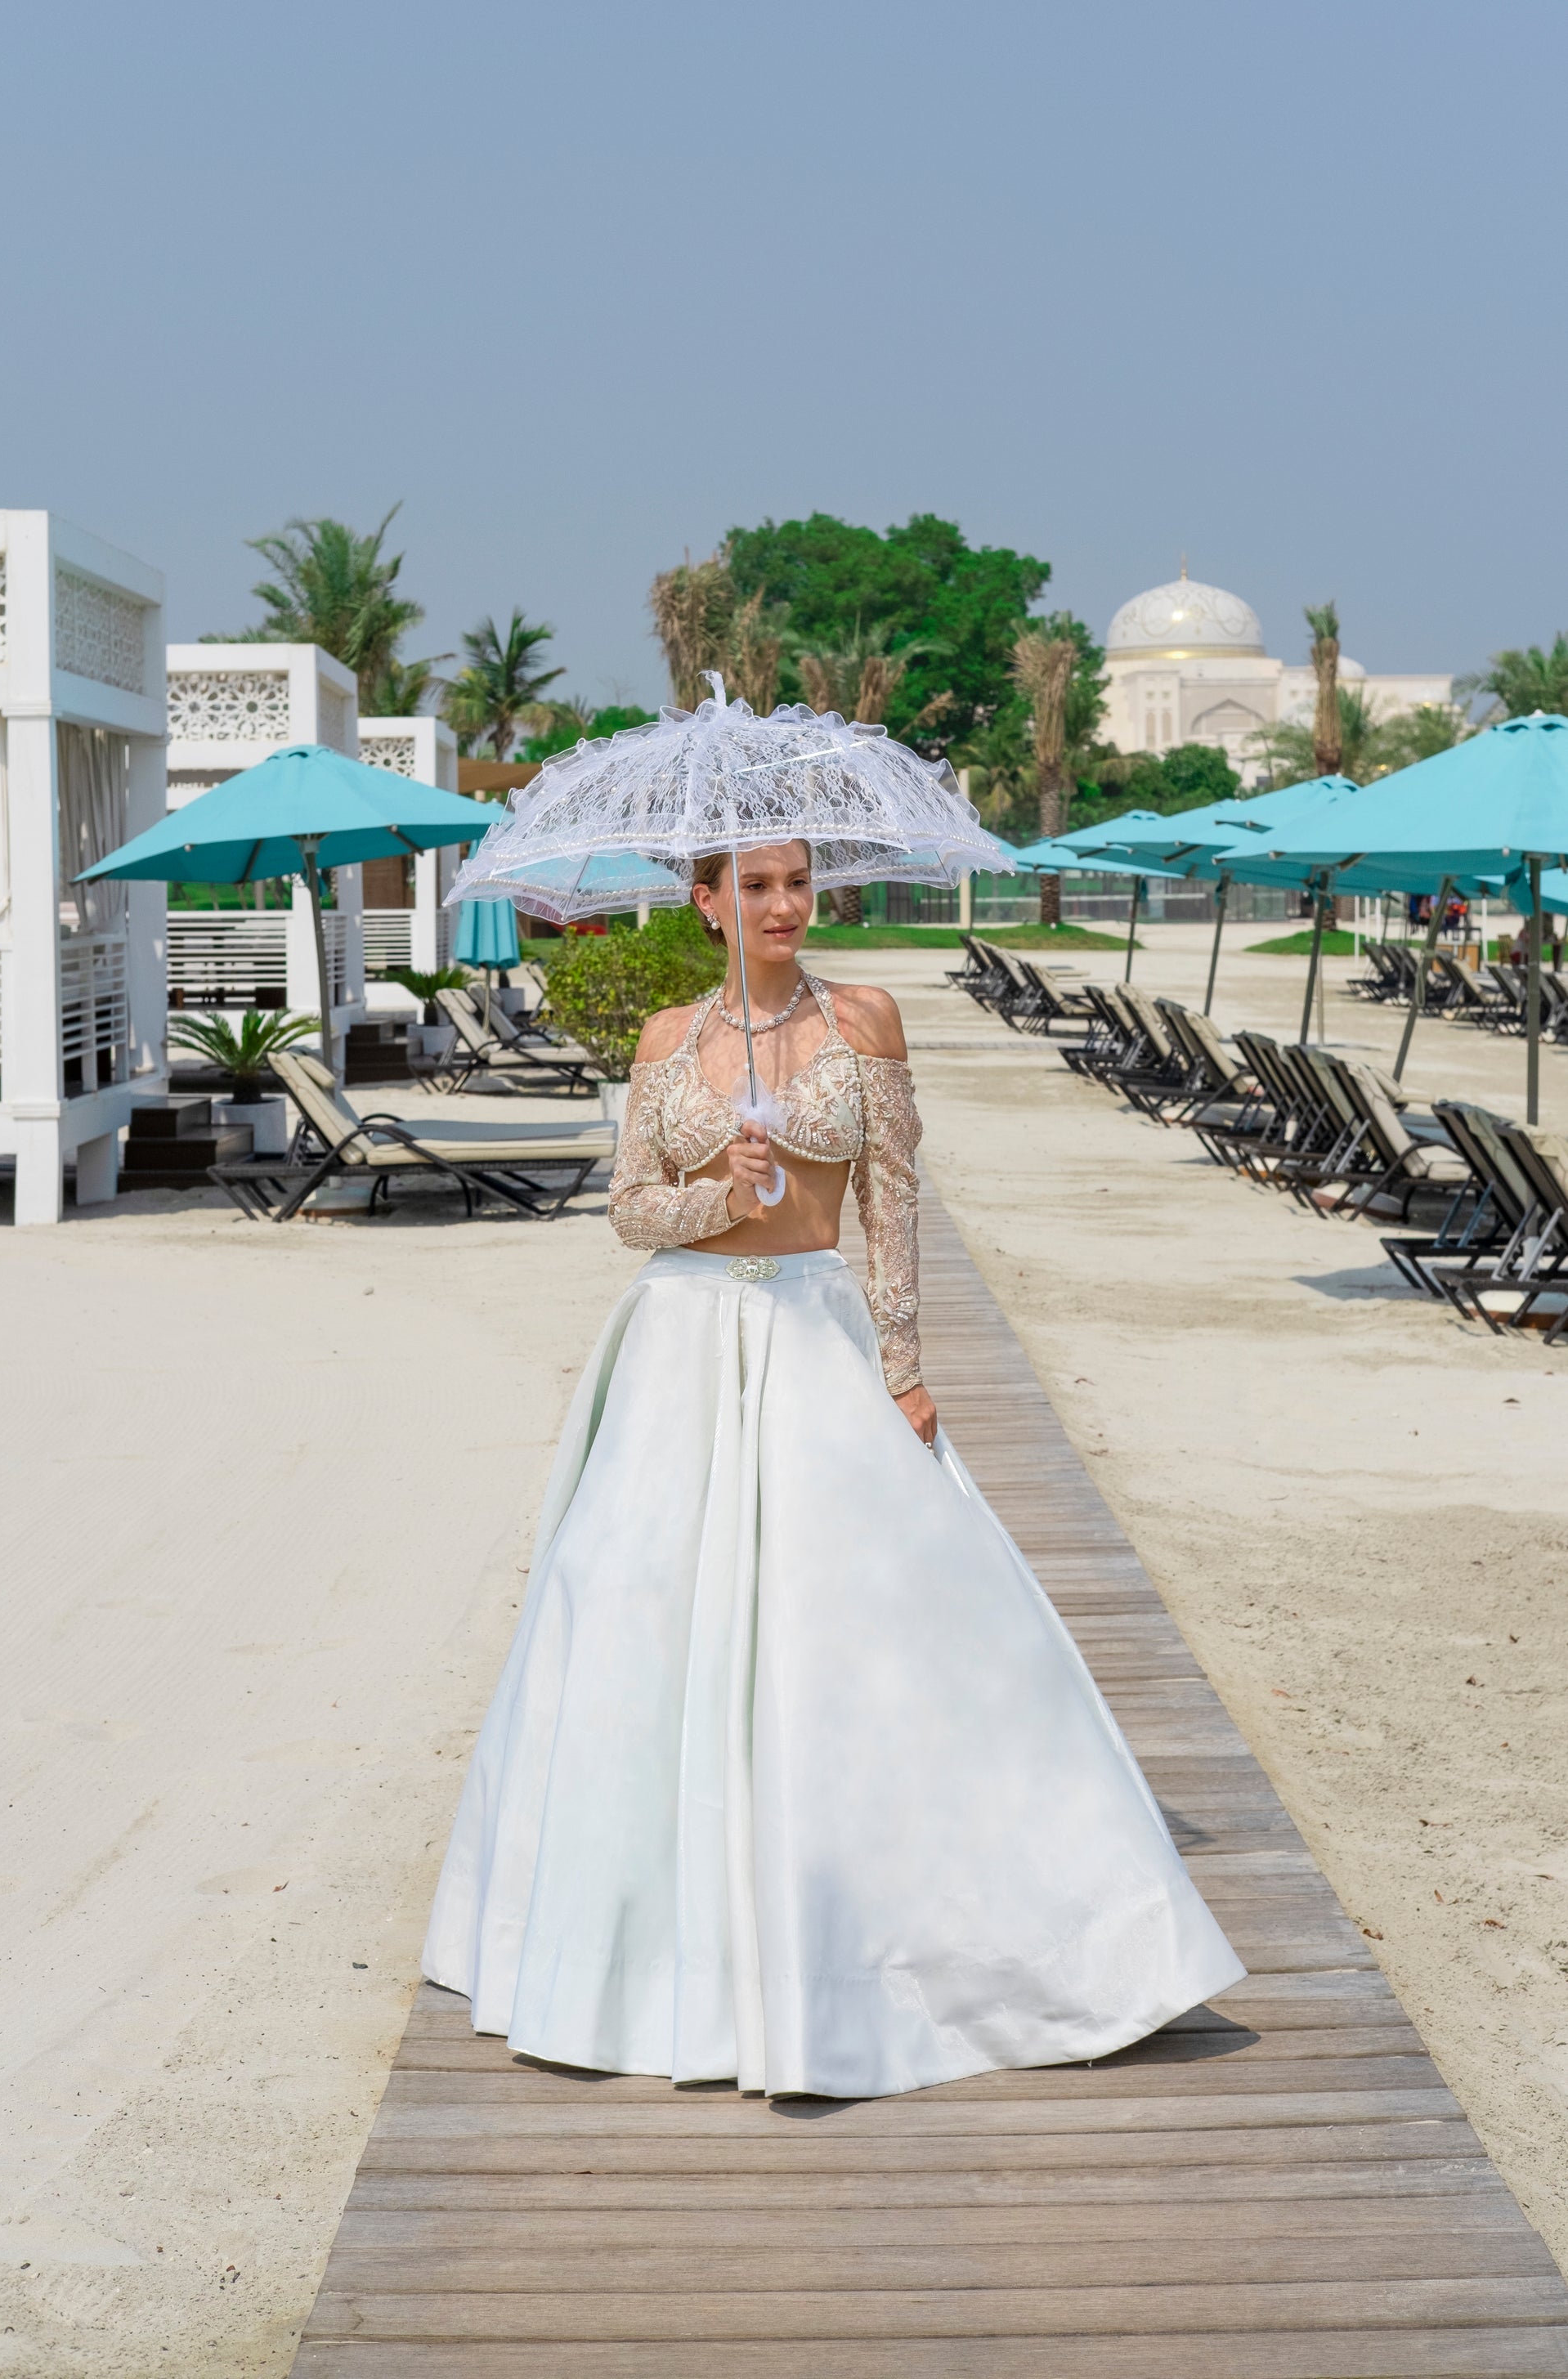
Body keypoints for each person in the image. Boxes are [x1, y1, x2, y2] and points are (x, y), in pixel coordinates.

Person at [423, 842, 1244, 2099]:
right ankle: (631, 1956)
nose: (784, 905)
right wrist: (713, 1192)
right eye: (752, 886)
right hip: (676, 1351)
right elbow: (628, 1208)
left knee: (852, 1628)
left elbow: (894, 1206)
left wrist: (903, 1364)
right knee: (637, 1615)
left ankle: (926, 1942)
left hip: (815, 1338)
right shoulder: (661, 1036)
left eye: (797, 881)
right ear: (705, 903)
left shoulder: (866, 1020)